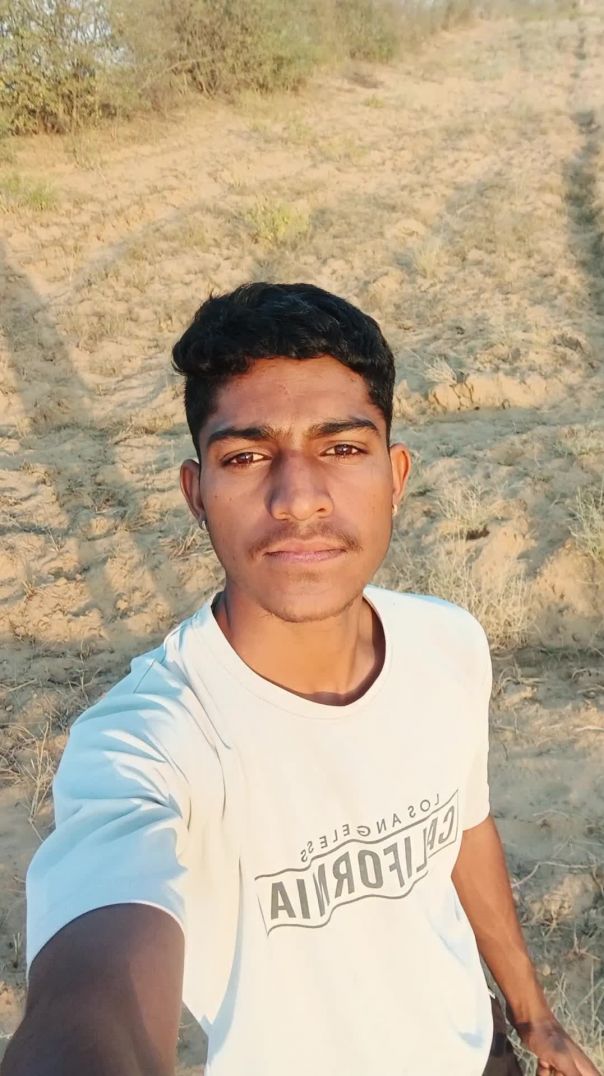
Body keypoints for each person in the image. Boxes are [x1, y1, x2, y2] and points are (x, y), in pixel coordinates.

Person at [2, 283, 599, 1076]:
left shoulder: (446, 641)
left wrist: (534, 1017)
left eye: (342, 449)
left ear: (396, 475)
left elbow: (462, 825)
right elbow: (92, 997)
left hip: (476, 1050)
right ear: (196, 494)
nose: (298, 499)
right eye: (246, 457)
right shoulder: (146, 744)